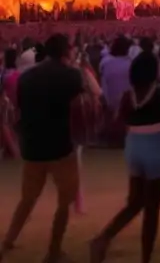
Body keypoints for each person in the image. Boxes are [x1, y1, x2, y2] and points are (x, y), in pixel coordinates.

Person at [90, 50, 160, 263]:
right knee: (152, 209)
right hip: (157, 147)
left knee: (135, 202)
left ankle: (103, 238)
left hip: (135, 148)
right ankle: (145, 257)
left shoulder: (127, 96)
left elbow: (118, 123)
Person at [1, 34, 85, 263]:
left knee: (27, 199)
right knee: (64, 201)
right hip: (60, 147)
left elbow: (20, 108)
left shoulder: (27, 77)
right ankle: (54, 250)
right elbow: (84, 103)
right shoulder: (70, 75)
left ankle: (8, 241)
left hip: (33, 147)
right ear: (66, 51)